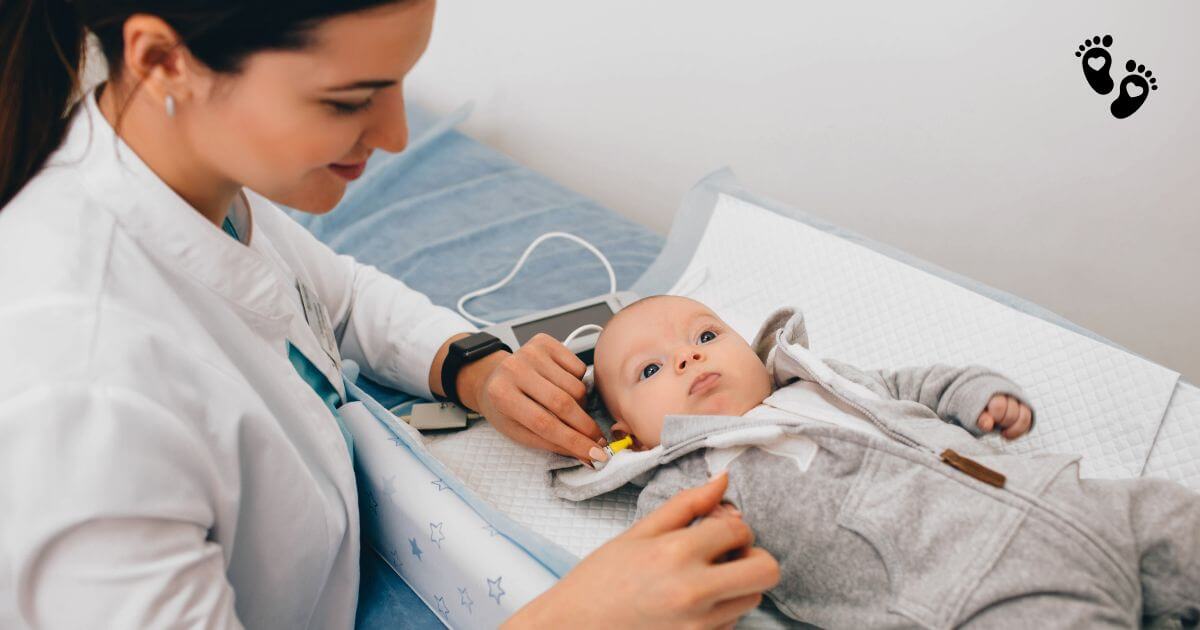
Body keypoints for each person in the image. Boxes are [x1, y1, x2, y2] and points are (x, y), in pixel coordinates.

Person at [0, 2, 779, 628]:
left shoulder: (186, 179)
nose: (398, 136)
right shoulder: (81, 404)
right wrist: (580, 617)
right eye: (349, 100)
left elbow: (331, 293)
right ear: (163, 60)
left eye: (399, 82)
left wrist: (473, 366)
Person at [562, 295, 1200, 627]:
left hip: (1072, 501)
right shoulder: (687, 479)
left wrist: (978, 394)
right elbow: (683, 577)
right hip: (970, 590)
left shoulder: (823, 379)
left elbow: (916, 383)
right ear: (633, 437)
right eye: (650, 369)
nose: (688, 359)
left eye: (705, 336)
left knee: (1174, 517)